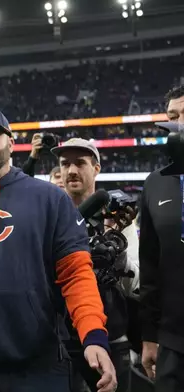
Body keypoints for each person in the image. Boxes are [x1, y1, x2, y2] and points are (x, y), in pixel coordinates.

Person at [0, 107, 116, 392]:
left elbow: (76, 276)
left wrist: (94, 336)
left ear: (11, 143)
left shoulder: (50, 199)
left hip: (37, 366)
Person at [52, 138, 139, 392]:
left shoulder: (117, 217)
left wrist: (117, 252)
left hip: (111, 336)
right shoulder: (49, 214)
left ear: (97, 169)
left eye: (80, 163)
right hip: (60, 341)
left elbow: (135, 285)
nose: (71, 171)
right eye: (65, 164)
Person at [139, 85, 184, 391]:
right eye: (172, 116)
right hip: (173, 341)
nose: (178, 122)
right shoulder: (155, 184)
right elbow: (149, 268)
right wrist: (149, 335)